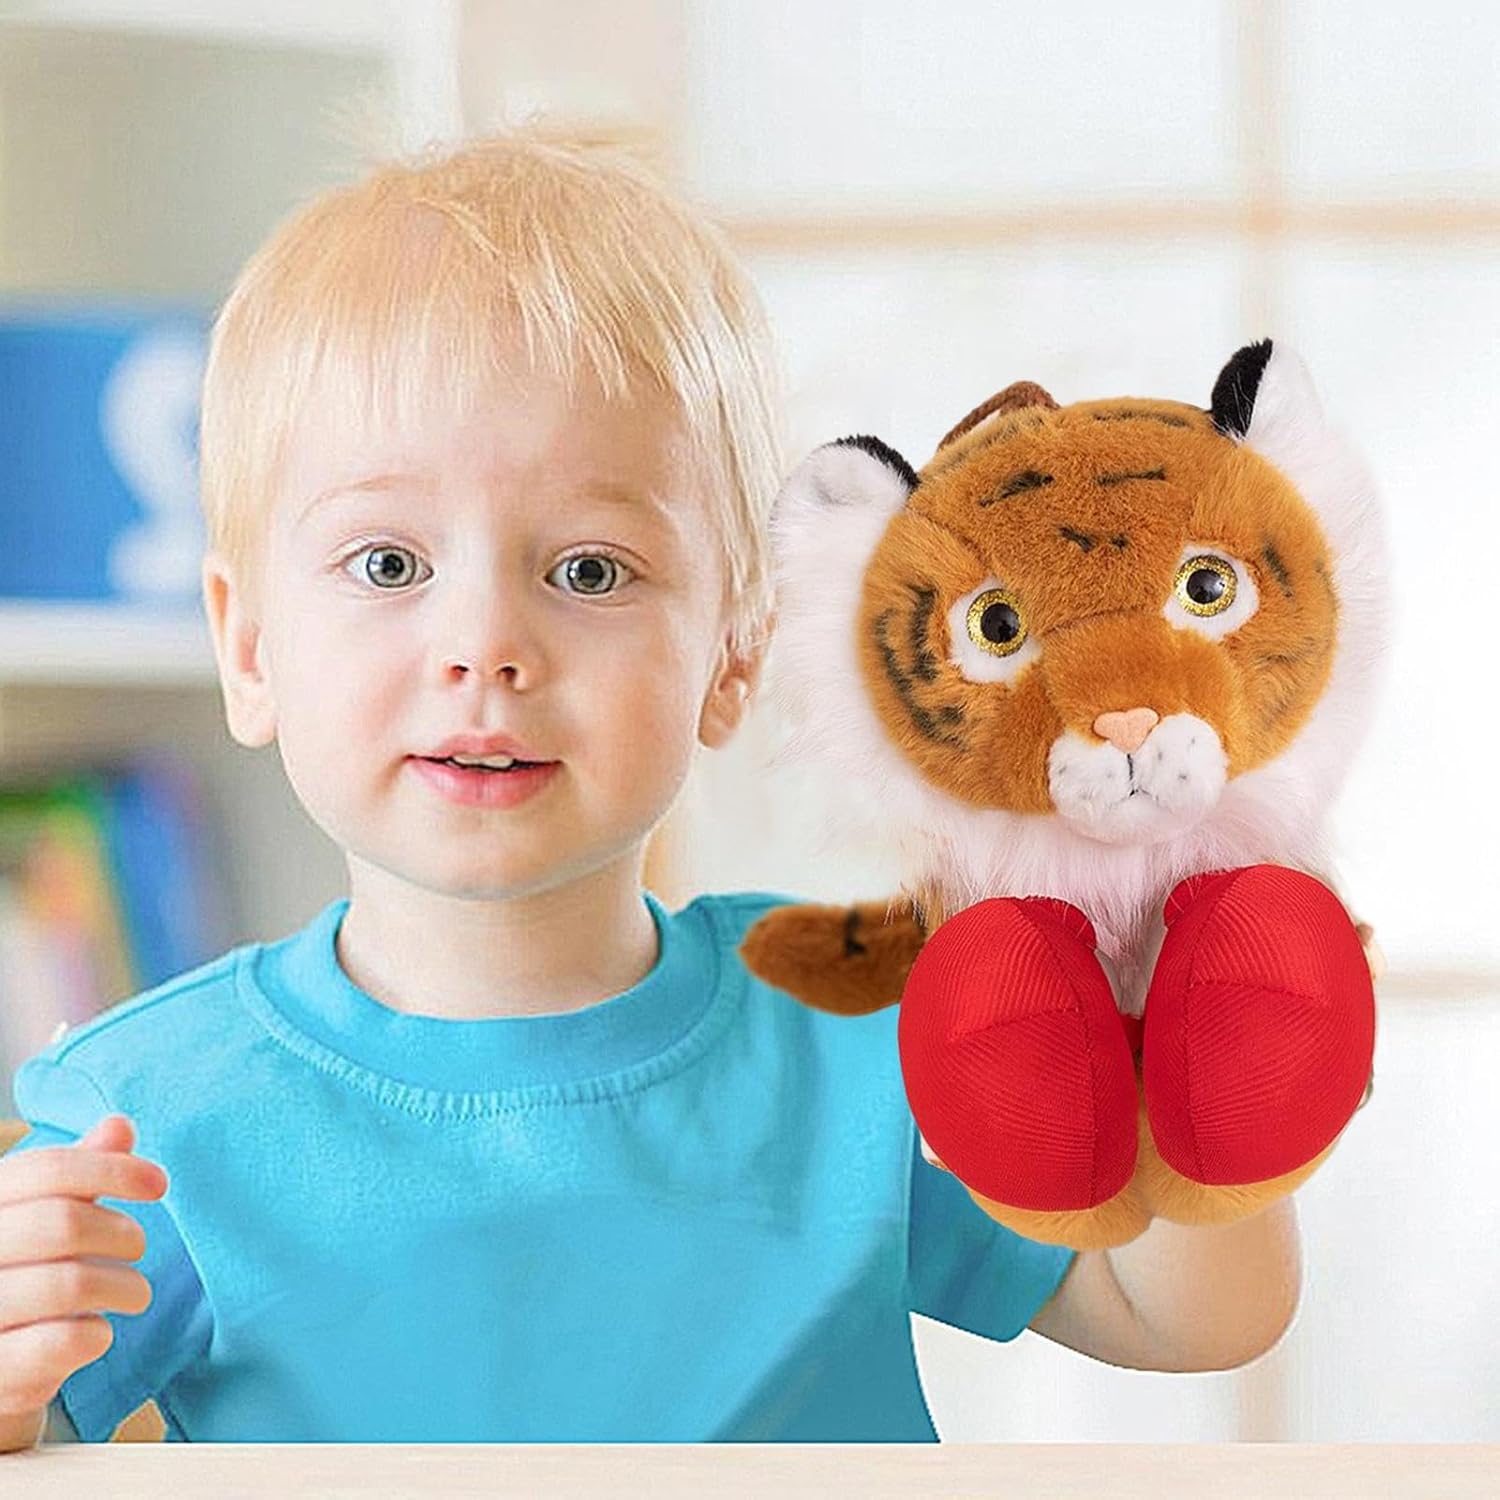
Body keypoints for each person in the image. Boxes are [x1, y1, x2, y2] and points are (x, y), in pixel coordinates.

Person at [0, 135, 1299, 1449]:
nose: (485, 645)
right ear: (249, 648)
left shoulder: (869, 1031)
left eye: (589, 572)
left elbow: (1187, 1316)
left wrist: (1176, 1011)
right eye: (389, 564)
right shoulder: (146, 1119)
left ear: (733, 655)